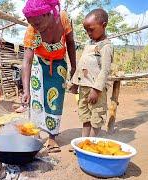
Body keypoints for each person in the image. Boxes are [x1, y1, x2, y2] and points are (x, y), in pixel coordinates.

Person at [21, 0, 76, 153]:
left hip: (59, 65)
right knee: (36, 100)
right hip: (39, 64)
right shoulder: (32, 29)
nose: (35, 26)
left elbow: (70, 43)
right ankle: (35, 135)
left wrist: (74, 67)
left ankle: (52, 138)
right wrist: (26, 90)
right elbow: (27, 60)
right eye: (32, 23)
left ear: (48, 14)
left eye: (38, 23)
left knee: (55, 101)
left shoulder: (63, 18)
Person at [71, 9, 113, 137]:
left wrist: (96, 89)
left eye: (91, 29)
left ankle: (92, 143)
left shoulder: (106, 46)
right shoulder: (89, 44)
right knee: (85, 116)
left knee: (96, 117)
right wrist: (75, 83)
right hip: (84, 88)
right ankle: (84, 142)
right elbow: (82, 66)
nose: (88, 33)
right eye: (86, 30)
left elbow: (105, 71)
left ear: (104, 25)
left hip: (96, 91)